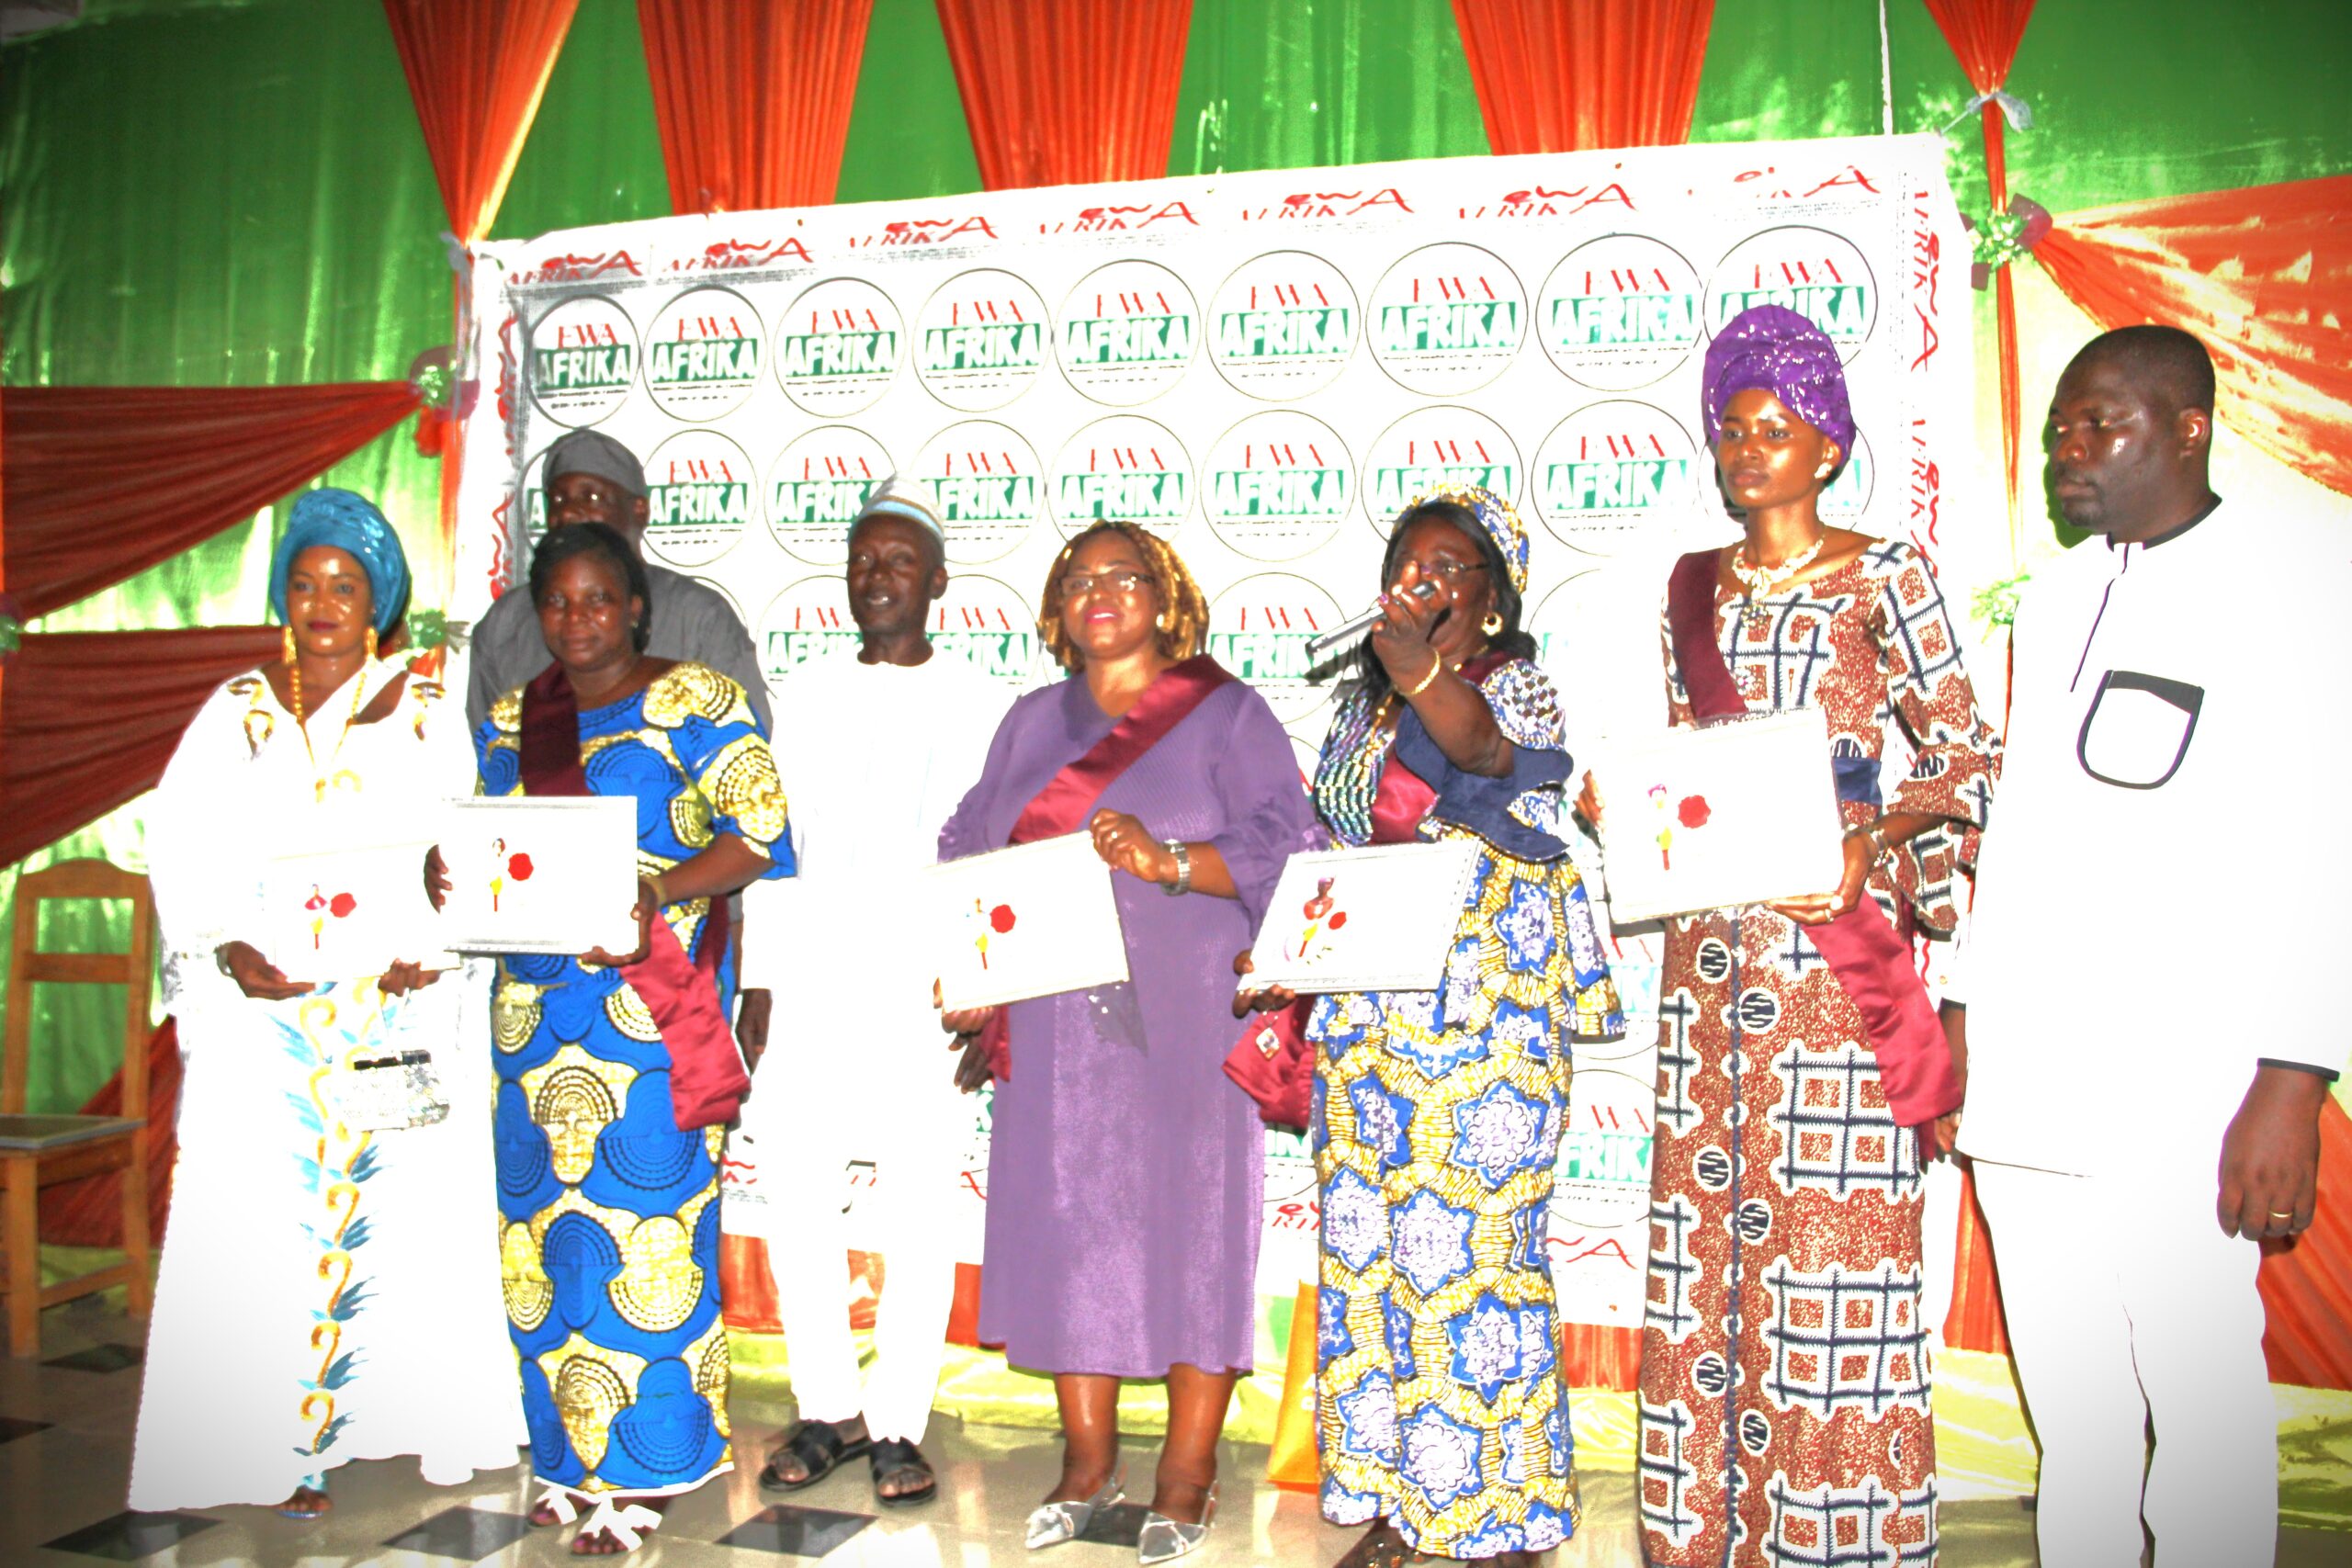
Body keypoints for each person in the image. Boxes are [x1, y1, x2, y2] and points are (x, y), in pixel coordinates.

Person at [1589, 305, 2000, 1568]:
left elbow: (1967, 757)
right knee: (1704, 1254)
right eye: (1732, 428)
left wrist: (1871, 836)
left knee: (1830, 1262)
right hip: (1709, 976)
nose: (1748, 449)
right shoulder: (1690, 589)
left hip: (1831, 970)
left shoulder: (1887, 574)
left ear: (1830, 444)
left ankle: (1835, 1536)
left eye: (1776, 428)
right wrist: (1631, 807)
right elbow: (1698, 767)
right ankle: (1705, 1537)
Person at [1952, 326, 2346, 1568]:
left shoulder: (2297, 581)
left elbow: (2327, 841)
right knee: (2072, 1402)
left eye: (2100, 424)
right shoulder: (2058, 596)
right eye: (2059, 427)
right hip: (2031, 1063)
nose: (2067, 450)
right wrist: (1965, 1006)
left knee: (2198, 1381)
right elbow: (2020, 820)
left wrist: (2294, 1078)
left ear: (2189, 429)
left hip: (2187, 1071)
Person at [935, 522, 1318, 1564]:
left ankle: (1186, 1473)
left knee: (1194, 1231)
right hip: (1056, 1022)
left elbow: (1288, 842)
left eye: (1124, 575)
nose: (1098, 590)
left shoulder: (1225, 711)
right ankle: (1085, 1466)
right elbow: (969, 846)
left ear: (1167, 595)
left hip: (1188, 1014)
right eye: (1078, 577)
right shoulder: (1028, 722)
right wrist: (969, 969)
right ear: (1056, 607)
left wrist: (1169, 860)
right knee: (1070, 1231)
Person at [137, 488, 522, 1516]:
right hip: (268, 1016)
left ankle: (400, 1417)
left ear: (378, 603)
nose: (323, 604)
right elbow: (180, 844)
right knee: (259, 1223)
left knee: (402, 1217)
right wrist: (225, 943)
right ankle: (274, 1439)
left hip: (390, 1011)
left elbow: (462, 848)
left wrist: (427, 953)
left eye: (346, 587)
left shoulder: (429, 708)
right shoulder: (235, 713)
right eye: (305, 584)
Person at [1263, 490, 1624, 1568]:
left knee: (1474, 1263)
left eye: (1444, 568)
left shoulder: (1516, 686)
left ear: (1492, 600)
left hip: (1484, 1019)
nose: (1417, 583)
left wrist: (1419, 668)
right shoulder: (1360, 709)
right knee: (1372, 1258)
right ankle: (1402, 1499)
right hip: (1368, 1016)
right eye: (1404, 567)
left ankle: (1496, 1517)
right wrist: (1283, 954)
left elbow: (1486, 756)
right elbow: (1337, 849)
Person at [471, 521, 791, 1556]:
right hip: (532, 1025)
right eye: (558, 601)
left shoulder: (700, 700)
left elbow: (759, 839)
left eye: (599, 598)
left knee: (647, 1237)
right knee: (542, 1249)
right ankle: (568, 1459)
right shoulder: (515, 717)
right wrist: (450, 871)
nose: (578, 620)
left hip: (650, 1022)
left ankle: (650, 1466)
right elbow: (495, 847)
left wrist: (660, 888)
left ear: (637, 606)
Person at [729, 479, 1012, 1507]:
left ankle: (897, 1423)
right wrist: (759, 979)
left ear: (937, 582)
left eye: (898, 562)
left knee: (919, 1210)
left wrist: (989, 986)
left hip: (925, 991)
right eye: (862, 561)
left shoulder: (984, 702)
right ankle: (826, 1409)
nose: (876, 576)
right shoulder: (806, 695)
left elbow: (1000, 855)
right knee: (798, 1197)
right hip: (811, 977)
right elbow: (771, 844)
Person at [465, 427, 766, 731]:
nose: (567, 513)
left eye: (592, 497)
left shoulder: (697, 615)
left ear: (639, 510)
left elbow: (745, 736)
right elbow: (492, 745)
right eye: (557, 499)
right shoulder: (507, 622)